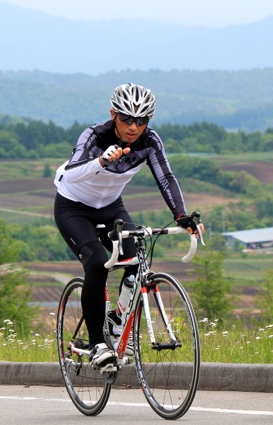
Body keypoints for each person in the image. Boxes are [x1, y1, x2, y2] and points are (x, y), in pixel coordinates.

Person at [54, 82, 201, 369]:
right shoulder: (96, 135)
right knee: (97, 263)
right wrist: (100, 160)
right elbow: (71, 174)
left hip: (110, 207)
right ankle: (97, 343)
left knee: (136, 260)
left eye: (142, 120)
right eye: (127, 119)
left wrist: (182, 216)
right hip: (74, 207)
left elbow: (166, 178)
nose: (134, 127)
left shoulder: (150, 141)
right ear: (113, 114)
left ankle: (118, 323)